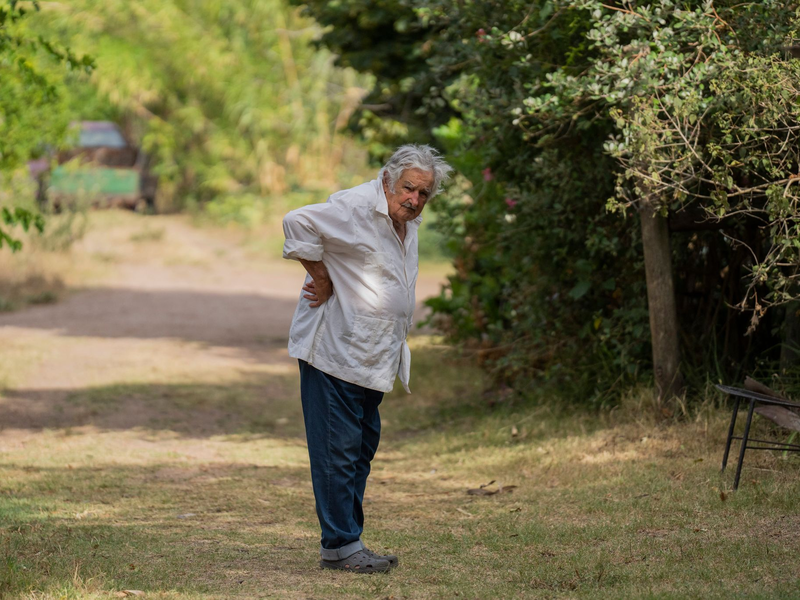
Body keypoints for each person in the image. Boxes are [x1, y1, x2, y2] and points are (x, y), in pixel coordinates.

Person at [282, 144, 452, 573]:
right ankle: (342, 545)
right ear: (387, 180)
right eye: (408, 188)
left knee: (360, 450)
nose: (414, 200)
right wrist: (320, 276)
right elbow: (296, 220)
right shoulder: (356, 207)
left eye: (423, 194)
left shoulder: (403, 223)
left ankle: (344, 543)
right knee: (337, 452)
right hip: (335, 350)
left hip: (371, 355)